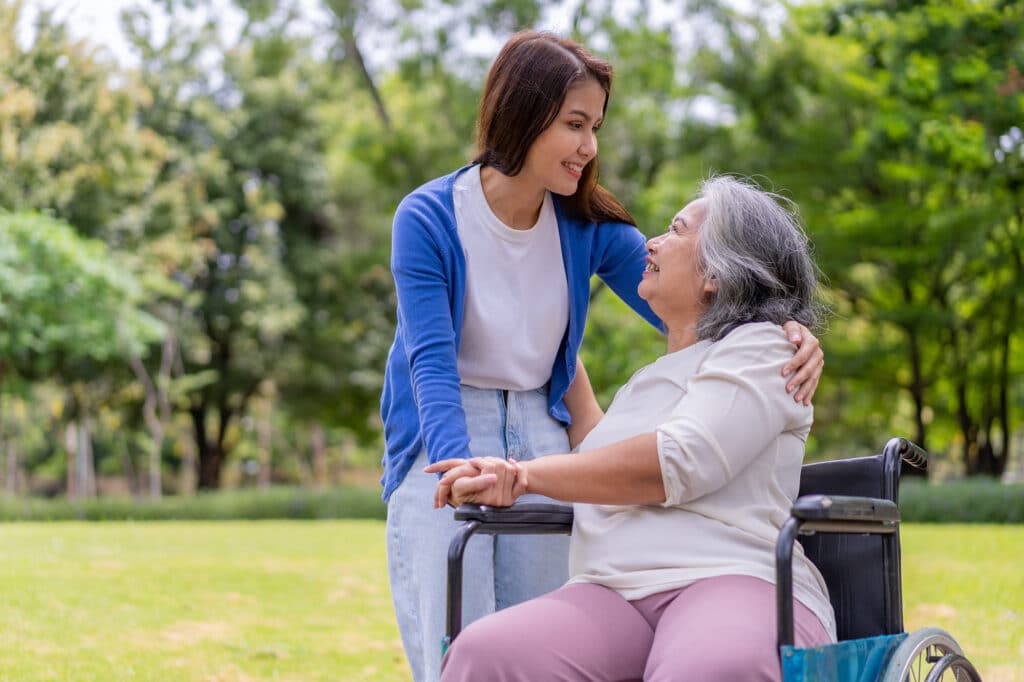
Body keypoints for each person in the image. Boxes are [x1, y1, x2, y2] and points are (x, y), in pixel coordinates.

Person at [380, 30, 825, 682]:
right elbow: (431, 363)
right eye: (574, 125)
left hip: (542, 422)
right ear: (524, 118)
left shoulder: (584, 225)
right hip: (448, 417)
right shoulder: (431, 217)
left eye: (596, 126)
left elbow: (710, 310)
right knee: (456, 633)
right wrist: (461, 467)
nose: (590, 147)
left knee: (544, 612)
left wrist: (788, 331)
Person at [427, 175, 836, 682]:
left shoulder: (764, 348)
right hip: (612, 593)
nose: (653, 242)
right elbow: (595, 451)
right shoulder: (647, 381)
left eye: (676, 230)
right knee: (484, 654)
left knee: (708, 668)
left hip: (729, 577)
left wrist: (526, 474)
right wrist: (535, 330)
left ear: (716, 273)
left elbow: (675, 461)